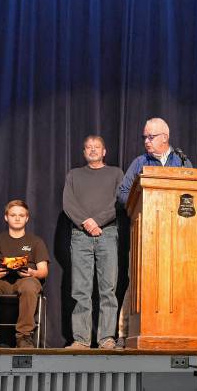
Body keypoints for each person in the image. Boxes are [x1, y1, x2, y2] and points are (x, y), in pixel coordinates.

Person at [116, 118, 192, 346]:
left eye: (151, 137)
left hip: (177, 235)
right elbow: (122, 193)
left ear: (165, 138)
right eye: (144, 137)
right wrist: (144, 200)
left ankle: (174, 329)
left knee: (176, 281)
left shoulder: (182, 161)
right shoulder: (139, 162)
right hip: (145, 233)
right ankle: (124, 333)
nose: (146, 141)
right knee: (137, 282)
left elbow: (193, 192)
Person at [63, 135, 124, 349]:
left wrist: (97, 221)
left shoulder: (116, 173)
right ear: (83, 152)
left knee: (108, 288)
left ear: (104, 151)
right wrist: (86, 223)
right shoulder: (74, 175)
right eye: (88, 147)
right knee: (81, 289)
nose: (93, 150)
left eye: (97, 147)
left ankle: (107, 338)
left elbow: (119, 202)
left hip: (107, 233)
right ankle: (81, 339)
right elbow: (68, 203)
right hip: (80, 236)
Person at [0, 200, 50, 348]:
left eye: (21, 215)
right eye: (13, 215)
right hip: (2, 281)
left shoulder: (36, 241)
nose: (17, 218)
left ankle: (24, 337)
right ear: (6, 217)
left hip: (25, 281)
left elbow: (43, 271)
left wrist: (32, 272)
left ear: (27, 218)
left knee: (29, 285)